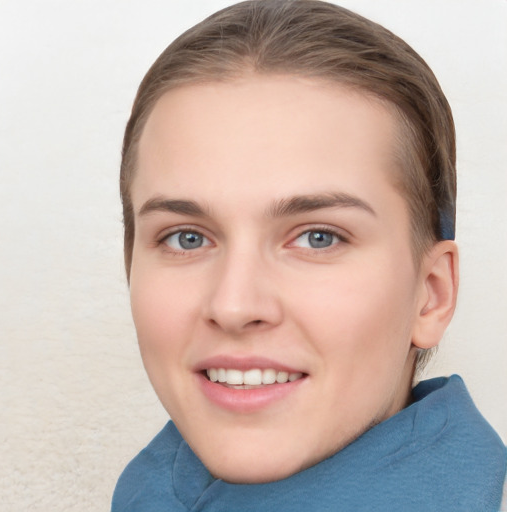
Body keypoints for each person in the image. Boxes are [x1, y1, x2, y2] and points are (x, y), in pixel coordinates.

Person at [111, 1, 506, 510]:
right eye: (187, 238)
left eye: (318, 237)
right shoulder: (150, 490)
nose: (234, 305)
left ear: (431, 295)